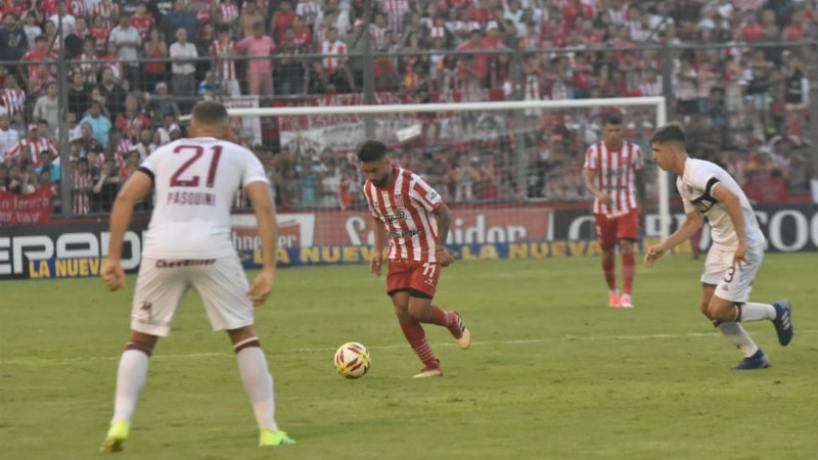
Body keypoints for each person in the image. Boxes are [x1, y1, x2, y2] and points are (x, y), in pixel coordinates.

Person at [99, 101, 294, 452]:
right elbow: (264, 207)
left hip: (162, 247)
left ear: (191, 129)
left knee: (141, 338)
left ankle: (120, 421)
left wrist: (113, 257)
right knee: (242, 334)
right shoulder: (240, 154)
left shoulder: (164, 152)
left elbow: (125, 197)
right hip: (212, 247)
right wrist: (268, 268)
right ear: (228, 130)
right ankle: (269, 430)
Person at [645, 123, 793, 370]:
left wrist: (742, 243)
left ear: (671, 150)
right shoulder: (682, 181)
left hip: (744, 243)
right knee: (707, 307)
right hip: (721, 244)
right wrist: (664, 246)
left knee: (720, 309)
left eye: (656, 151)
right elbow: (694, 221)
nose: (654, 157)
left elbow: (731, 199)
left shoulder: (698, 172)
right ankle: (754, 355)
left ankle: (776, 311)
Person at [358, 140, 470, 379]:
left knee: (418, 310)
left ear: (388, 162)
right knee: (402, 311)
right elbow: (377, 217)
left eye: (374, 170)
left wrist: (439, 248)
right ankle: (431, 365)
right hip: (398, 254)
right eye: (366, 171)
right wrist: (377, 251)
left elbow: (443, 212)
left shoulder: (411, 183)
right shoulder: (369, 188)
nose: (371, 176)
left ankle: (451, 320)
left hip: (426, 253)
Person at [583, 113, 645, 308]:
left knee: (627, 246)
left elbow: (640, 180)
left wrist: (643, 205)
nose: (614, 134)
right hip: (603, 207)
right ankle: (613, 292)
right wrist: (598, 194)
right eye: (610, 130)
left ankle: (627, 295)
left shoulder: (634, 151)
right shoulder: (594, 151)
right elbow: (588, 181)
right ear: (604, 131)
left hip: (628, 204)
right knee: (608, 252)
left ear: (623, 131)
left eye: (617, 130)